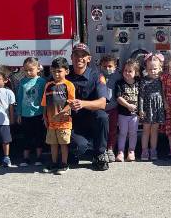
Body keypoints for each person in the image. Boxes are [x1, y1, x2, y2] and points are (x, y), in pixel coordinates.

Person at [67, 43, 109, 171]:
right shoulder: (64, 76)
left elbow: (102, 103)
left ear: (88, 59)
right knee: (80, 148)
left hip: (92, 120)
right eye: (76, 55)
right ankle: (73, 150)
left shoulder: (97, 76)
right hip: (72, 122)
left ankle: (100, 153)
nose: (79, 58)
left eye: (83, 55)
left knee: (102, 116)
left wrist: (83, 103)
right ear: (71, 57)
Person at [41, 57, 76, 174]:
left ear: (66, 71)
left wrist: (61, 114)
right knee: (53, 144)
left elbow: (71, 103)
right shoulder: (48, 85)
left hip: (64, 122)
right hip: (51, 122)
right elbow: (45, 103)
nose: (56, 74)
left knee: (63, 144)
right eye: (54, 71)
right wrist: (45, 117)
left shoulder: (69, 85)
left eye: (59, 71)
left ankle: (64, 164)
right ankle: (54, 163)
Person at [15, 57, 47, 167]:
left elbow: (44, 98)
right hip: (25, 114)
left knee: (39, 136)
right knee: (26, 136)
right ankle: (26, 158)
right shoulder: (22, 82)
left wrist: (45, 113)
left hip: (38, 114)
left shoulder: (42, 81)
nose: (28, 72)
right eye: (26, 70)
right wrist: (18, 113)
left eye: (31, 70)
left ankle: (39, 157)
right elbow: (19, 98)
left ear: (38, 69)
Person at [138, 53, 166, 161]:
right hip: (147, 108)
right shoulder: (144, 80)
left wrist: (165, 105)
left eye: (155, 68)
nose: (153, 71)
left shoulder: (161, 80)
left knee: (155, 130)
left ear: (160, 68)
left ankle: (153, 150)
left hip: (157, 108)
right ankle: (144, 150)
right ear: (146, 68)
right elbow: (141, 96)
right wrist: (140, 109)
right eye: (150, 69)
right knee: (146, 130)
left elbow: (163, 93)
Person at [115, 59, 140, 162]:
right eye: (125, 70)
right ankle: (120, 151)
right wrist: (128, 105)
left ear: (136, 73)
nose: (127, 73)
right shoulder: (120, 83)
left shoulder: (139, 83)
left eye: (130, 71)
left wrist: (141, 110)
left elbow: (141, 97)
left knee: (133, 133)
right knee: (122, 133)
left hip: (135, 115)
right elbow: (118, 98)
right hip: (123, 114)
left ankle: (131, 151)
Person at [99, 54, 121, 163]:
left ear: (115, 66)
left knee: (112, 130)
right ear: (100, 67)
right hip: (101, 109)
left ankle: (110, 149)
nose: (107, 69)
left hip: (113, 108)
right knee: (102, 130)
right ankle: (102, 149)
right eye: (104, 66)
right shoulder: (98, 76)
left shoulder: (118, 76)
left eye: (110, 66)